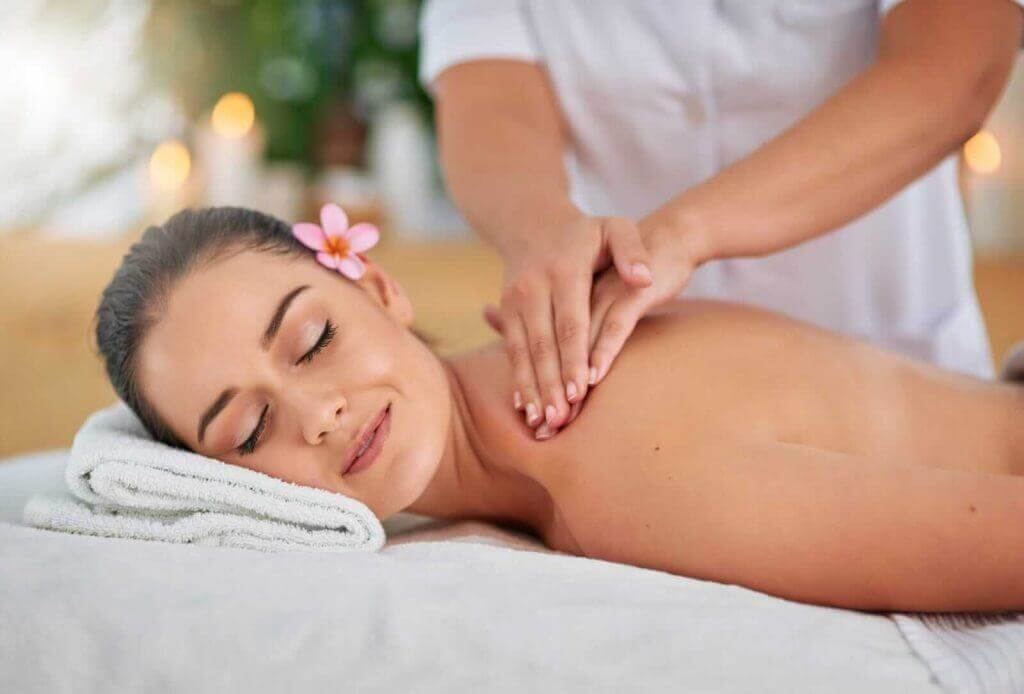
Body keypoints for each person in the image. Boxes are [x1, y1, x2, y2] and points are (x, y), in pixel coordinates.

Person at [94, 206, 1024, 613]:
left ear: (376, 285)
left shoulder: (617, 471)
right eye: (248, 431)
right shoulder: (521, 455)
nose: (318, 414)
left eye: (311, 342)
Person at [419, 0, 1024, 440]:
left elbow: (954, 72)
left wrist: (687, 232)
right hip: (642, 406)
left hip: (904, 373)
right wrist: (542, 231)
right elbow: (490, 102)